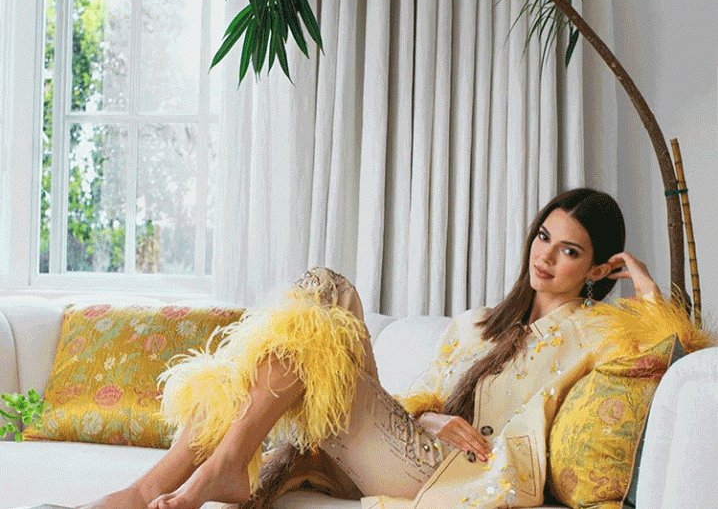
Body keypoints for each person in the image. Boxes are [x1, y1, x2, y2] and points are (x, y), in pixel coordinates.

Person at [82, 188, 660, 509]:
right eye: (544, 237)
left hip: (453, 475)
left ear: (597, 269)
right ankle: (173, 480)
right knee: (324, 290)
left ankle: (175, 481)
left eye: (570, 252)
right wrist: (431, 417)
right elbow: (418, 401)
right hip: (415, 447)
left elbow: (660, 352)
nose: (546, 257)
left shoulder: (596, 330)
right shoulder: (477, 324)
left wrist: (647, 289)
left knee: (323, 319)